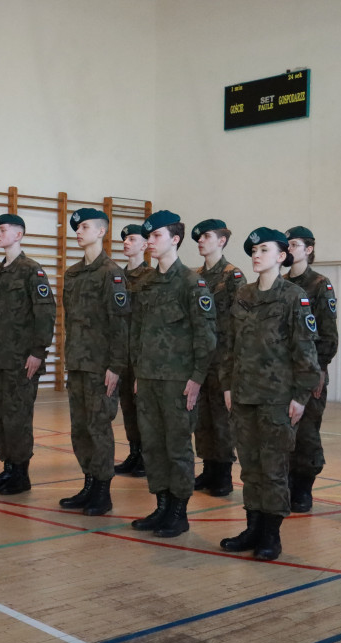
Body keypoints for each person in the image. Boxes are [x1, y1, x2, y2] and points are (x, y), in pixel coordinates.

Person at [220, 228, 319, 560]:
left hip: (277, 398)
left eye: (264, 249)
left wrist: (301, 395)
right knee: (250, 467)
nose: (256, 254)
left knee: (274, 468)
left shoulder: (293, 296)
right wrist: (228, 385)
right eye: (254, 250)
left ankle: (271, 535)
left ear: (281, 257)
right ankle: (253, 527)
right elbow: (230, 346)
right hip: (244, 395)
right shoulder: (243, 295)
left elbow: (305, 350)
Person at [129, 211, 216, 538]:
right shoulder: (147, 282)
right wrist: (138, 372)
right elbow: (137, 331)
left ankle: (178, 512)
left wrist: (196, 378)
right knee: (152, 445)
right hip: (148, 378)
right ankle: (161, 506)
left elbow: (206, 336)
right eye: (148, 237)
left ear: (175, 239)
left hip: (179, 381)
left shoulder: (192, 282)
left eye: (156, 236)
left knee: (177, 447)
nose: (150, 242)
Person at [59, 208, 130, 516]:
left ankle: (103, 491)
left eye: (85, 226)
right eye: (77, 227)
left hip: (102, 367)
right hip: (77, 364)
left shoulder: (111, 273)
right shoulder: (73, 273)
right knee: (80, 429)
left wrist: (116, 366)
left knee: (99, 428)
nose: (78, 231)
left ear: (101, 232)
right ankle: (88, 484)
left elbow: (120, 324)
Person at [0, 213, 57, 495]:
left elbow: (46, 312)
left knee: (18, 417)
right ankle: (9, 468)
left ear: (19, 234)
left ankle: (21, 474)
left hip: (22, 361)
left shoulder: (31, 271)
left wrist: (38, 351)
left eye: (3, 229)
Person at [283, 226, 338, 512]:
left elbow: (327, 334)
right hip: (281, 374)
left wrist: (319, 370)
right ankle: (285, 484)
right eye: (287, 244)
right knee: (283, 431)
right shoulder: (279, 283)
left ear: (308, 250)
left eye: (294, 244)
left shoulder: (319, 284)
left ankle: (303, 489)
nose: (289, 249)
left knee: (306, 433)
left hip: (310, 371)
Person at [191, 219, 244, 497]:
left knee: (222, 419)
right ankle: (208, 468)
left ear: (222, 240)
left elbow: (241, 321)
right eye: (199, 237)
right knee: (202, 417)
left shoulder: (232, 276)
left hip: (224, 358)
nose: (201, 240)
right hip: (201, 358)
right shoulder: (195, 276)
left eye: (207, 236)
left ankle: (223, 473)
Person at [113, 224, 151, 478]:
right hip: (121, 351)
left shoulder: (151, 276)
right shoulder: (117, 275)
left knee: (143, 408)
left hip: (142, 351)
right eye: (125, 238)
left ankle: (147, 456)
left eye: (132, 238)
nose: (127, 242)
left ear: (145, 245)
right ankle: (134, 451)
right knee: (127, 406)